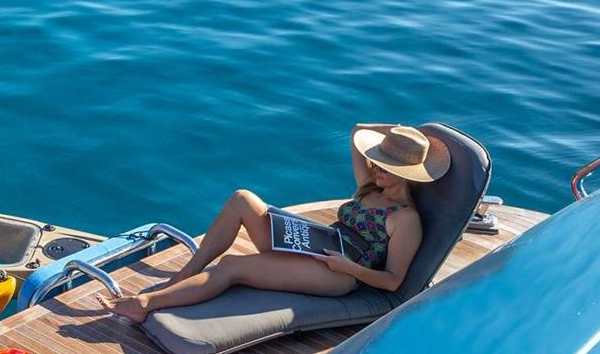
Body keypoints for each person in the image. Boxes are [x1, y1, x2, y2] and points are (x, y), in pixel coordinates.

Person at [102, 124, 449, 322]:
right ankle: (185, 275)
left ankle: (147, 305)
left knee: (232, 266)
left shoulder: (406, 219)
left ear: (407, 174)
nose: (375, 168)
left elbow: (393, 281)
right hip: (319, 242)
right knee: (242, 199)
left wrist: (348, 267)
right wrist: (400, 137)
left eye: (386, 165)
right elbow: (358, 132)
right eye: (378, 160)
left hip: (340, 273)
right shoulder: (370, 187)